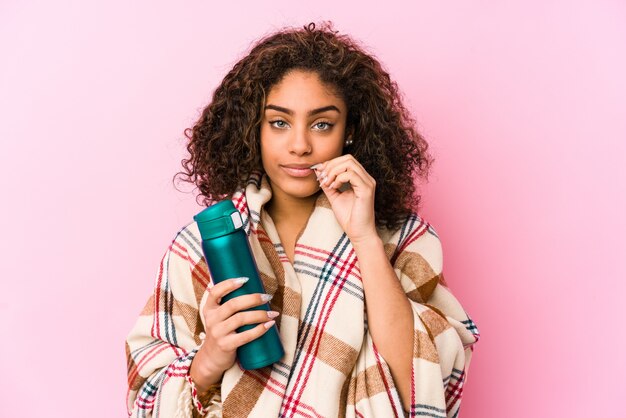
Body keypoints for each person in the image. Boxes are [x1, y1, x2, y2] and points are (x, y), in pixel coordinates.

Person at [126, 22, 480, 418]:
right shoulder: (199, 247)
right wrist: (212, 354)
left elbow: (425, 381)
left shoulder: (403, 238)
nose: (299, 145)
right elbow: (146, 395)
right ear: (253, 130)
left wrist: (364, 238)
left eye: (322, 124)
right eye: (279, 122)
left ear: (350, 132)